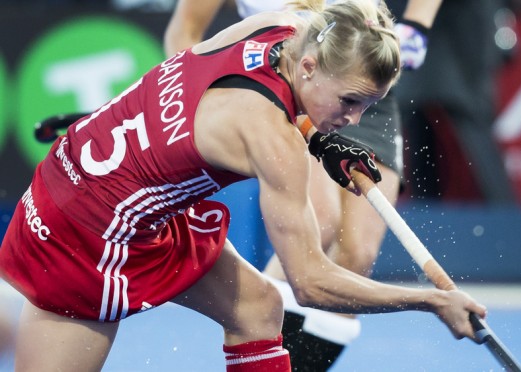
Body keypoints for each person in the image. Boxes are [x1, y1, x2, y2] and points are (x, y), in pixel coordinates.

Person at [0, 0, 486, 370]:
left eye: (366, 107)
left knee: (258, 308)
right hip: (86, 233)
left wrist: (322, 139)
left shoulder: (280, 31)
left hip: (118, 193)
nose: (355, 119)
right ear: (312, 69)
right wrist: (431, 300)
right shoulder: (274, 140)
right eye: (350, 101)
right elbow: (311, 284)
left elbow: (184, 71)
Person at [164, 0, 445, 369]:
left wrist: (418, 24)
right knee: (320, 226)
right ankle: (260, 342)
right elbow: (184, 33)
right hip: (295, 82)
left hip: (370, 83)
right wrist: (188, 109)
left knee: (357, 254)